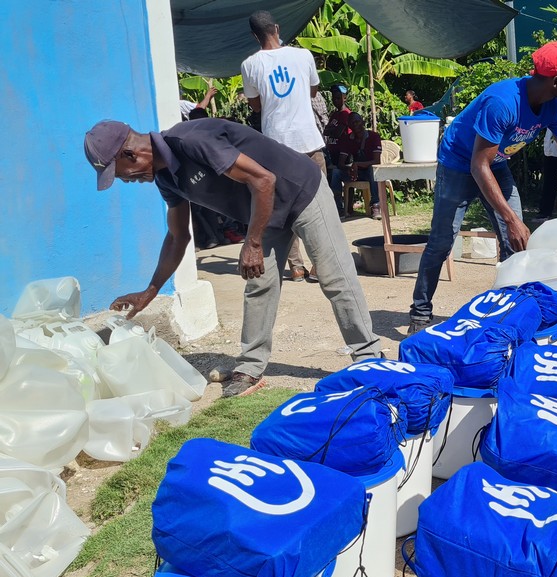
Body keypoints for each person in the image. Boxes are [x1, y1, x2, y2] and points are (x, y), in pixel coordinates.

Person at [84, 118, 382, 397]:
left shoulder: (191, 141)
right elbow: (178, 237)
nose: (126, 181)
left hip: (300, 190)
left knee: (334, 276)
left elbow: (263, 179)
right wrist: (150, 291)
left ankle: (369, 357)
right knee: (259, 284)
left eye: (120, 174)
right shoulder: (166, 179)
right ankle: (250, 368)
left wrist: (251, 242)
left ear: (130, 154)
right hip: (265, 210)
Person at [407, 41, 557, 335]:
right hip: (459, 162)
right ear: (556, 80)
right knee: (443, 241)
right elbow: (477, 166)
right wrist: (511, 218)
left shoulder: (556, 105)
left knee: (517, 243)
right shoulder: (503, 102)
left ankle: (508, 316)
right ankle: (420, 313)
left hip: (494, 162)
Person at [240, 10, 325, 283]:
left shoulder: (250, 65)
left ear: (255, 36)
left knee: (284, 211)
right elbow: (312, 91)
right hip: (309, 143)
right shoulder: (303, 56)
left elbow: (255, 105)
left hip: (276, 149)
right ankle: (320, 266)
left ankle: (296, 267)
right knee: (320, 207)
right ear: (277, 28)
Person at [328, 113, 382, 219]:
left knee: (373, 170)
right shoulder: (347, 139)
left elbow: (376, 161)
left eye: (357, 122)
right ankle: (339, 208)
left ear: (362, 122)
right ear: (349, 126)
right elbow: (341, 163)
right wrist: (350, 169)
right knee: (336, 173)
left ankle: (375, 205)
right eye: (352, 123)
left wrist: (357, 164)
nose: (355, 125)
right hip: (355, 172)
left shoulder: (373, 136)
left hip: (369, 172)